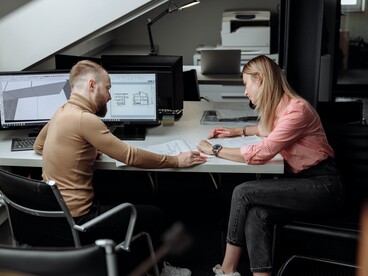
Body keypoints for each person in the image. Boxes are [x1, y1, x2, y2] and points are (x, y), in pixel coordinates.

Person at [34, 59, 205, 276]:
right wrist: (176, 161)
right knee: (155, 214)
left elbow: (39, 145)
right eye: (108, 88)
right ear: (91, 85)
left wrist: (82, 149)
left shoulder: (63, 110)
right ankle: (158, 270)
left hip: (57, 216)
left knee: (119, 190)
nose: (110, 96)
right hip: (82, 220)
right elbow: (130, 156)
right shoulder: (85, 120)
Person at [197, 55, 344, 276]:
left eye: (247, 84)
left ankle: (227, 271)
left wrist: (214, 149)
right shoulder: (281, 108)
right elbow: (265, 130)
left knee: (242, 192)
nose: (245, 92)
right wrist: (237, 131)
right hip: (302, 183)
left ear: (261, 79)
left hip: (323, 186)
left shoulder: (297, 111)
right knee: (257, 214)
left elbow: (262, 154)